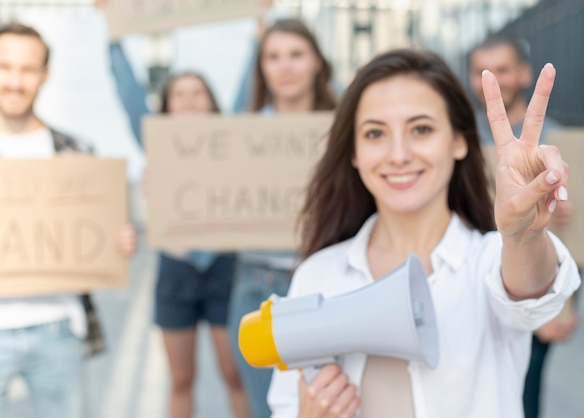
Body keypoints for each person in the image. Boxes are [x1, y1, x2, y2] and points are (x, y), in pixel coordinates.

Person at [267, 48, 581, 418]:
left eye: (421, 129)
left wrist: (524, 236)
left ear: (459, 141)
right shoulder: (317, 276)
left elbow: (530, 291)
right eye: (374, 133)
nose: (398, 154)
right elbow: (285, 405)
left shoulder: (489, 261)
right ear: (353, 152)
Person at [104, 30, 250, 418]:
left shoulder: (231, 138)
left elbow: (249, 89)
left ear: (212, 103)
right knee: (181, 379)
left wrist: (261, 30)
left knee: (234, 371)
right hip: (176, 269)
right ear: (166, 105)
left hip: (224, 266)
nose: (188, 99)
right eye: (179, 94)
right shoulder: (155, 139)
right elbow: (128, 94)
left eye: (197, 92)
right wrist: (114, 38)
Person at [0, 23, 136, 418]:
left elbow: (100, 235)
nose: (15, 80)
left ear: (45, 74)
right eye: (5, 67)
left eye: (27, 69)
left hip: (59, 327)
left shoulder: (76, 152)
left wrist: (118, 242)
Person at [228, 18, 336, 418]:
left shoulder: (347, 125)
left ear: (317, 62)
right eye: (273, 57)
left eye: (295, 54)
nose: (285, 66)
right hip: (256, 284)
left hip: (328, 280)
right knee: (267, 409)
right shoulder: (240, 133)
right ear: (261, 68)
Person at [468, 33, 580, 418]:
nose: (495, 81)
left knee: (525, 395)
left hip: (536, 280)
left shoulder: (558, 140)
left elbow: (583, 236)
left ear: (524, 73)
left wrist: (561, 309)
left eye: (503, 70)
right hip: (480, 286)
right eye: (484, 73)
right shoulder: (460, 138)